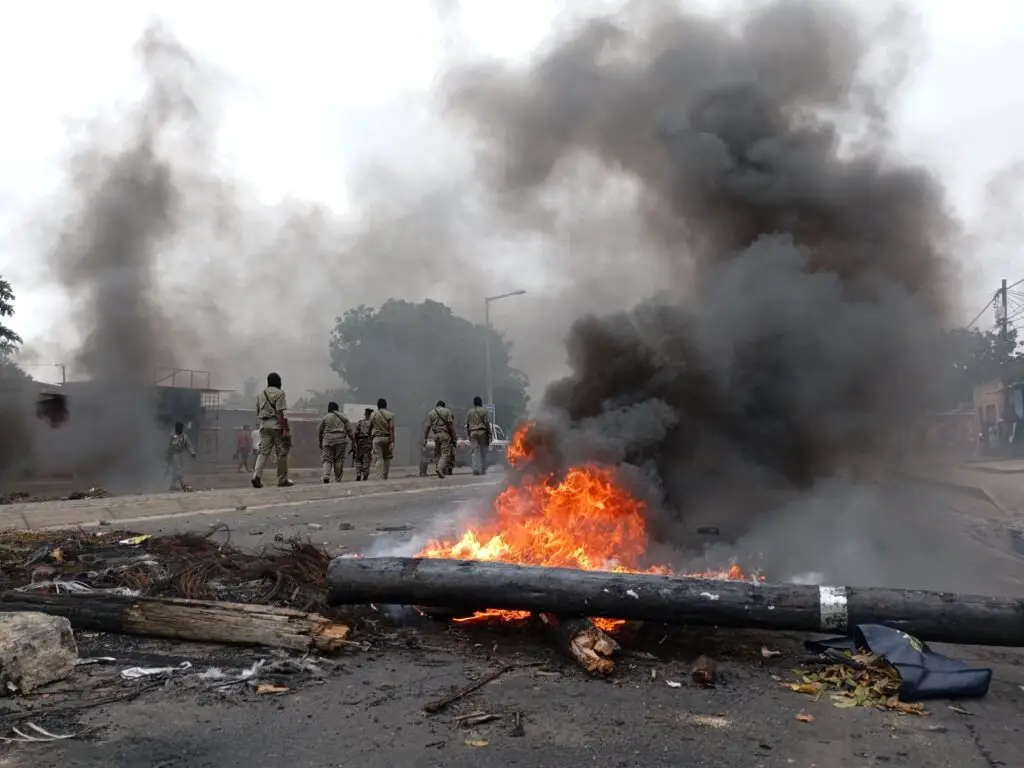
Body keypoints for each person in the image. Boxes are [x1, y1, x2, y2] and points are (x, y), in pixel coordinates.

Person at [252, 372, 293, 488]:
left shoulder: (261, 394)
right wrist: (284, 429)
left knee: (263, 452)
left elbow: (257, 412)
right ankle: (282, 479)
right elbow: (280, 413)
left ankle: (256, 476)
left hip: (264, 425)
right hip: (276, 425)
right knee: (281, 453)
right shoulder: (280, 393)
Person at [318, 401, 355, 483]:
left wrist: (320, 442)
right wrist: (353, 441)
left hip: (327, 440)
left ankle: (326, 476)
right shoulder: (343, 417)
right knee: (339, 459)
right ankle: (337, 479)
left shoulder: (325, 417)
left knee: (327, 459)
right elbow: (349, 430)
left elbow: (320, 431)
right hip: (340, 440)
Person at [424, 400, 456, 479]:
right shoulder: (447, 411)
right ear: (443, 405)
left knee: (438, 453)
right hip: (445, 434)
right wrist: (453, 436)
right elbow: (450, 425)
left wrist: (425, 438)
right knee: (445, 453)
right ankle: (440, 468)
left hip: (436, 435)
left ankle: (439, 468)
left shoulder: (431, 413)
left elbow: (427, 427)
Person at [166, 421, 197, 492]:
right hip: (173, 454)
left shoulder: (184, 437)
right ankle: (183, 484)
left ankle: (173, 485)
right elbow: (169, 446)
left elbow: (188, 446)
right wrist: (168, 455)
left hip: (179, 454)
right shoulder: (172, 436)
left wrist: (192, 453)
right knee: (178, 470)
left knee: (176, 470)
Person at [465, 396, 492, 475]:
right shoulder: (484, 411)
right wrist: (489, 433)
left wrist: (468, 434)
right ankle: (483, 468)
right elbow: (487, 423)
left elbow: (467, 424)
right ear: (481, 402)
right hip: (482, 432)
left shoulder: (469, 412)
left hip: (473, 432)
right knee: (483, 451)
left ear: (474, 403)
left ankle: (475, 469)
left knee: (474, 451)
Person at [370, 398, 396, 480]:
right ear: (386, 405)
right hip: (387, 438)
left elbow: (370, 427)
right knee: (387, 458)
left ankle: (379, 477)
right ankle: (385, 476)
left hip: (377, 439)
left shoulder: (373, 415)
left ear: (377, 406)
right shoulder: (391, 415)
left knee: (378, 458)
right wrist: (392, 441)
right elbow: (391, 429)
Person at [353, 408, 374, 481]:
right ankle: (365, 475)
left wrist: (356, 442)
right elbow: (373, 433)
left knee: (359, 458)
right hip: (367, 441)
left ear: (365, 414)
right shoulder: (372, 422)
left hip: (360, 441)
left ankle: (358, 473)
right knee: (367, 459)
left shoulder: (360, 422)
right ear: (370, 414)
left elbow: (356, 433)